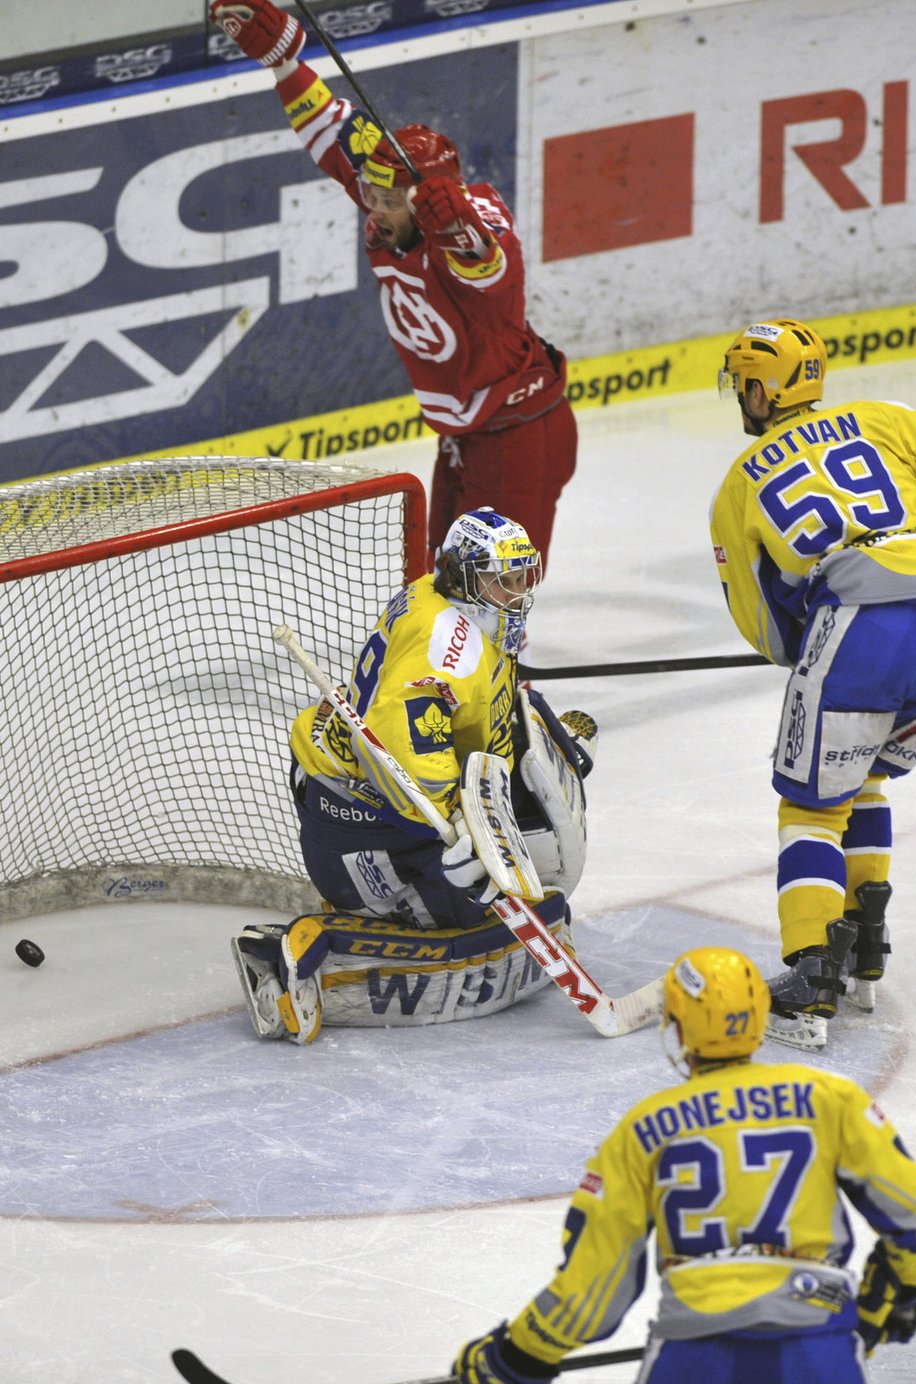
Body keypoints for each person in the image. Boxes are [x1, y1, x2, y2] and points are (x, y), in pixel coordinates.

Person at [709, 319, 916, 1050]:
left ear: (761, 388)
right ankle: (865, 952)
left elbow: (764, 625)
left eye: (742, 382)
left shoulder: (739, 484)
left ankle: (811, 984)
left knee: (812, 808)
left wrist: (817, 650)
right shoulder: (889, 418)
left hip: (862, 632)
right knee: (867, 778)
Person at [451, 946, 916, 1384]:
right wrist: (894, 1292)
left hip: (693, 1357)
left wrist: (517, 1357)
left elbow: (594, 1291)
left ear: (678, 1025)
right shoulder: (830, 1098)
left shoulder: (642, 1130)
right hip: (815, 1349)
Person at [209, 0, 577, 569]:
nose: (372, 210)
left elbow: (494, 270)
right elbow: (333, 130)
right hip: (469, 429)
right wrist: (283, 64)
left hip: (518, 433)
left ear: (419, 199)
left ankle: (499, 656)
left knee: (494, 583)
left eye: (385, 201)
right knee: (440, 568)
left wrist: (457, 229)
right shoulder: (392, 193)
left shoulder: (470, 219)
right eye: (371, 196)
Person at [231, 507, 597, 1041]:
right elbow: (408, 753)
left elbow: (471, 703)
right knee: (473, 920)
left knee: (515, 872)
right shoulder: (446, 646)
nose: (518, 593)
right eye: (503, 581)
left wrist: (529, 740)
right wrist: (456, 819)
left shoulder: (449, 600)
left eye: (522, 579)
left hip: (374, 796)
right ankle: (298, 953)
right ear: (463, 576)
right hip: (364, 823)